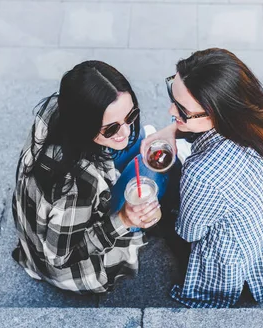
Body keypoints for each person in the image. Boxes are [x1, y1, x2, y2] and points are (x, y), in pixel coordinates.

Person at [142, 48, 263, 308]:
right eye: (173, 92)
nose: (172, 110)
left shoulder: (202, 174)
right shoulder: (257, 118)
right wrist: (175, 127)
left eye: (182, 111)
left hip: (240, 273)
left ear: (217, 113)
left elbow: (189, 232)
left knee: (165, 218)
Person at [11, 60, 172, 294]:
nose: (125, 130)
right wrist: (125, 220)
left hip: (36, 235)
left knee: (142, 142)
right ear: (83, 125)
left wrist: (115, 131)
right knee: (151, 169)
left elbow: (122, 131)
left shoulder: (57, 107)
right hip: (72, 270)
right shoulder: (78, 186)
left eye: (130, 116)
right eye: (111, 129)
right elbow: (60, 257)